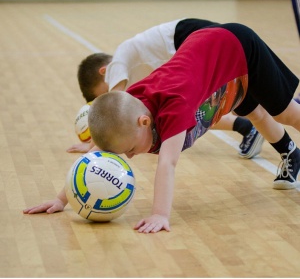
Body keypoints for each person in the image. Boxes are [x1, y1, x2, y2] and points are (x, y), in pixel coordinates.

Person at [24, 23, 300, 234]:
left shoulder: (174, 106)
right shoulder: (131, 106)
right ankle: (293, 155)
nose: (130, 157)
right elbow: (97, 151)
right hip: (212, 56)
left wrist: (160, 215)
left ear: (144, 122)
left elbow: (168, 163)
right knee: (256, 114)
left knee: (286, 114)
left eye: (130, 150)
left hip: (238, 47)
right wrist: (63, 199)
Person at [67, 18, 264, 159]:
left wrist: (99, 143)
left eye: (103, 93)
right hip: (189, 43)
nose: (107, 100)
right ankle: (245, 126)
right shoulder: (136, 81)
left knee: (246, 94)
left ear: (105, 72)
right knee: (191, 113)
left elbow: (115, 107)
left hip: (190, 38)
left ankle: (268, 114)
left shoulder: (119, 63)